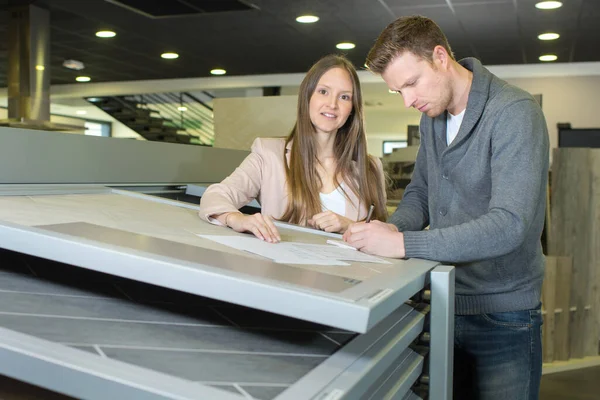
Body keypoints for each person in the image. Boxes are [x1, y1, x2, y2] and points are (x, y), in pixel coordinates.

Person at [343, 16, 549, 400]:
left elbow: (510, 225)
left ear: (439, 57)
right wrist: (393, 229)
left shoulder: (514, 113)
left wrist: (405, 245)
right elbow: (421, 190)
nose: (408, 101)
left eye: (410, 84)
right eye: (397, 92)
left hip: (503, 315)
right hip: (444, 299)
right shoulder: (431, 118)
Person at [199, 54, 387, 243]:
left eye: (344, 97)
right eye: (323, 92)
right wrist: (237, 219)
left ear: (352, 108)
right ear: (307, 97)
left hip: (351, 272)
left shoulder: (370, 167)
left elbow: (382, 233)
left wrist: (349, 226)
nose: (332, 104)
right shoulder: (269, 154)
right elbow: (215, 196)